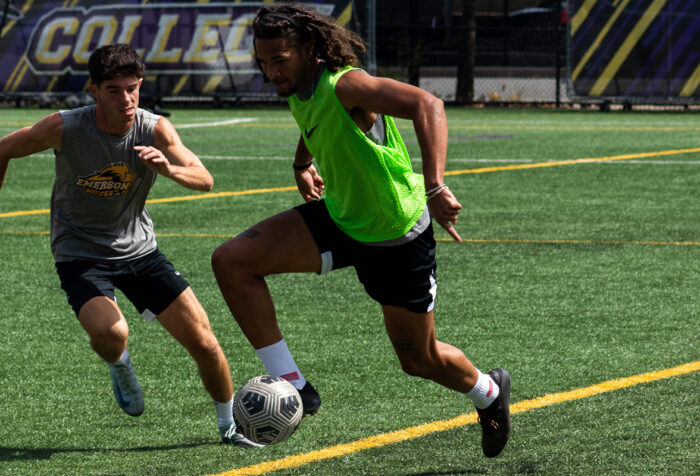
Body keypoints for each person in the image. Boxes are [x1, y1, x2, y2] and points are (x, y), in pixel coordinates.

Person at [211, 4, 511, 458]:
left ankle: (489, 393)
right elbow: (312, 117)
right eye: (263, 62)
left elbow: (426, 103)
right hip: (341, 218)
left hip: (394, 234)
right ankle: (295, 385)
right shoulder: (298, 84)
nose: (271, 71)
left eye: (280, 60)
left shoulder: (346, 83)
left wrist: (435, 186)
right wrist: (302, 161)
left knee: (418, 360)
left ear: (309, 50)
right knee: (231, 261)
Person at [0, 43, 259, 447]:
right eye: (115, 90)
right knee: (113, 333)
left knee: (206, 343)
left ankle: (229, 427)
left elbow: (204, 178)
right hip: (81, 255)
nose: (127, 99)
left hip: (140, 252)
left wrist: (167, 168)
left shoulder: (154, 128)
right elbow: (4, 149)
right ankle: (120, 366)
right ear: (93, 91)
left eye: (133, 88)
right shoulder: (64, 127)